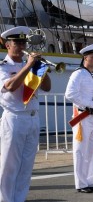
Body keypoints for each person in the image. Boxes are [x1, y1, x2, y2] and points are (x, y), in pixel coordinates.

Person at [0, 26, 52, 202]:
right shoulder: (3, 66)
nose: (22, 46)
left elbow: (47, 87)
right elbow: (10, 87)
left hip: (32, 117)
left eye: (23, 42)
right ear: (8, 45)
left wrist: (41, 67)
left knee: (26, 165)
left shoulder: (28, 64)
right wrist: (29, 65)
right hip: (14, 118)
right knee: (9, 165)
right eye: (18, 42)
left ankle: (19, 199)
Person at [65, 44, 93, 194]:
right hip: (82, 117)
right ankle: (81, 184)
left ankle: (90, 181)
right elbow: (70, 94)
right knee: (81, 151)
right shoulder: (78, 74)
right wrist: (90, 104)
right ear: (85, 58)